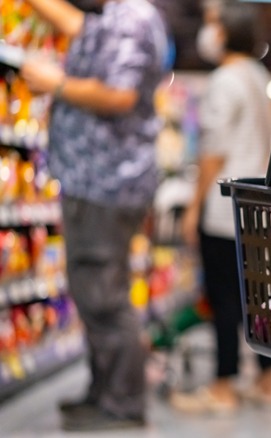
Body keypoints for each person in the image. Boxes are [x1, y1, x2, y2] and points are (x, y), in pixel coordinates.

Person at [18, 0, 168, 432]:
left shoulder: (133, 17)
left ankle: (121, 403)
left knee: (102, 294)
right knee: (95, 292)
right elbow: (71, 21)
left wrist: (58, 83)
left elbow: (120, 94)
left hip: (106, 182)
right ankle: (104, 393)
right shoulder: (115, 16)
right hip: (100, 181)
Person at [173, 0, 271, 414]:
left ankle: (222, 385)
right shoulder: (258, 75)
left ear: (229, 29)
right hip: (258, 208)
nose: (208, 30)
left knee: (223, 300)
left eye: (214, 23)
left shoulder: (224, 80)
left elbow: (214, 152)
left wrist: (193, 208)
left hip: (224, 208)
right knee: (256, 296)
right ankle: (269, 379)